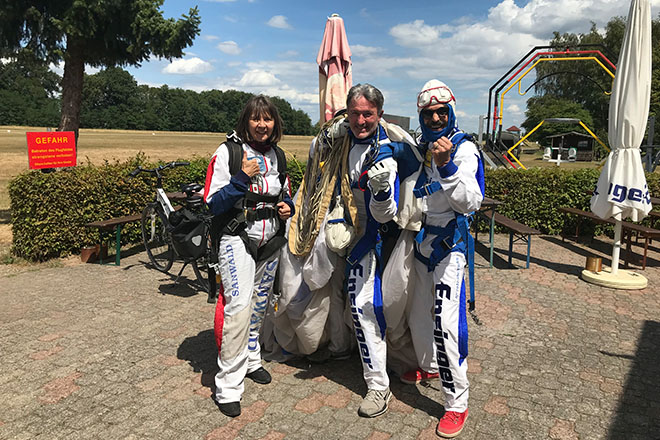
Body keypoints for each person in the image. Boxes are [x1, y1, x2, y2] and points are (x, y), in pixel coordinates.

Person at [203, 95, 295, 418]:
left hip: (269, 239)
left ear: (275, 123)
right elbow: (212, 203)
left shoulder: (279, 157)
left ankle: (252, 358)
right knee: (239, 307)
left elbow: (283, 193)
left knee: (259, 304)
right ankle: (228, 384)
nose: (261, 125)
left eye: (267, 119)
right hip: (236, 237)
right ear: (247, 121)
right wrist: (241, 178)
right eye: (256, 119)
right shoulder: (229, 153)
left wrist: (289, 207)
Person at [405, 79, 484, 438]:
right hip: (421, 240)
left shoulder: (464, 149)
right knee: (419, 313)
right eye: (428, 113)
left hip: (449, 243)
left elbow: (470, 201)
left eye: (441, 112)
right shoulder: (419, 147)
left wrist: (447, 165)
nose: (436, 118)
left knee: (445, 323)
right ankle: (430, 365)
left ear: (450, 112)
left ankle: (456, 402)